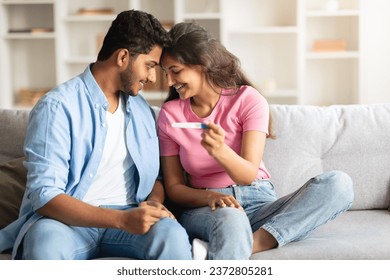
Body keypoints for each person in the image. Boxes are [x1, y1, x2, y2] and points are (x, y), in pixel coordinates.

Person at [0, 10, 192, 260]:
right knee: (44, 243)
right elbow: (45, 195)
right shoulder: (58, 107)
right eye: (150, 65)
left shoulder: (142, 110)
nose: (153, 77)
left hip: (130, 216)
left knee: (172, 235)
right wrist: (121, 220)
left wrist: (153, 202)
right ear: (123, 57)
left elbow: (153, 177)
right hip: (66, 223)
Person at [157, 22, 354, 260]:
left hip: (259, 202)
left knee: (339, 184)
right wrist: (212, 197)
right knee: (230, 217)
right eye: (165, 72)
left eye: (175, 71)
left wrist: (220, 151)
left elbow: (247, 174)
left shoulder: (247, 100)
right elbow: (175, 189)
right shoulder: (170, 114)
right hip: (207, 207)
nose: (169, 81)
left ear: (201, 64)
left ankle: (253, 243)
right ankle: (242, 239)